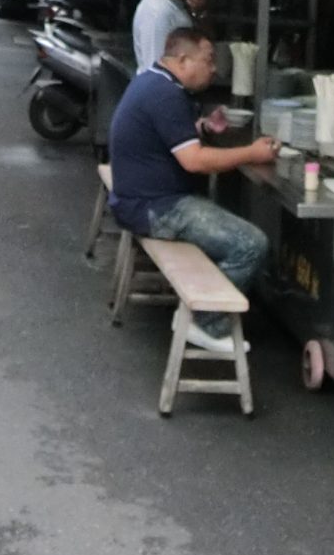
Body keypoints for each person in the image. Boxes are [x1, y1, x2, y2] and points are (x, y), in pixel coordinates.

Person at [108, 26, 279, 354]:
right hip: (155, 208)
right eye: (209, 59)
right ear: (183, 59)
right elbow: (195, 161)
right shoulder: (165, 95)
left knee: (227, 220)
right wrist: (253, 153)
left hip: (141, 198)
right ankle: (205, 322)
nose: (214, 69)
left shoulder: (154, 81)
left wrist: (200, 127)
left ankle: (225, 302)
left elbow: (171, 138)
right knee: (251, 243)